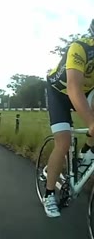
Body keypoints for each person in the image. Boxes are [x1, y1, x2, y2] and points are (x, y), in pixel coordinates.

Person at [44, 19, 94, 217]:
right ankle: (48, 195)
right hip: (60, 92)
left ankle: (86, 155)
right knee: (63, 142)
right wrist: (91, 122)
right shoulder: (79, 47)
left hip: (87, 91)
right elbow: (74, 88)